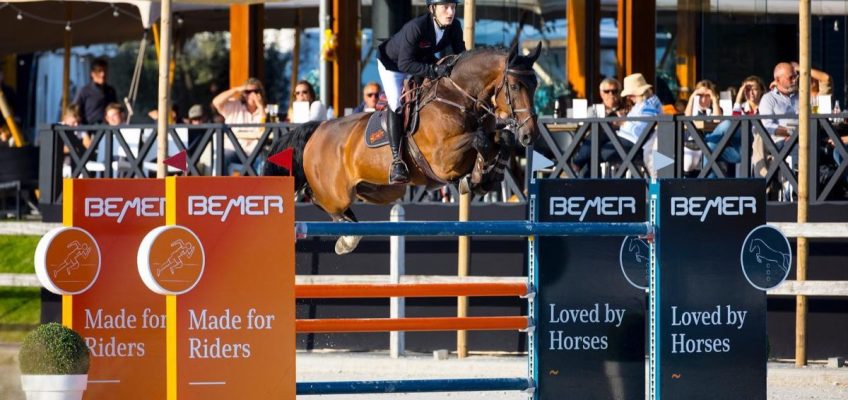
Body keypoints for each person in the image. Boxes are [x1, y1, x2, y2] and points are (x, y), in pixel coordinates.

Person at [376, 0, 466, 184]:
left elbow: (462, 57)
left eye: (453, 7)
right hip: (392, 65)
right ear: (432, 9)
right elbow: (404, 64)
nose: (450, 12)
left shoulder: (455, 26)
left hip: (420, 60)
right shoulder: (416, 27)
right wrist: (434, 70)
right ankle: (397, 160)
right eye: (445, 7)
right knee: (396, 104)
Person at [702, 75, 766, 176]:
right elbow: (734, 123)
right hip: (740, 150)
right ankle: (709, 188)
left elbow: (733, 124)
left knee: (727, 123)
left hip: (755, 144)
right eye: (748, 90)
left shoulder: (765, 106)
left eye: (755, 89)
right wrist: (739, 98)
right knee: (709, 147)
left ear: (762, 90)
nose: (751, 93)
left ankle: (703, 140)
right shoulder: (742, 107)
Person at [212, 77, 267, 174]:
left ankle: (259, 189)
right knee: (222, 158)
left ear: (260, 93)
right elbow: (216, 102)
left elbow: (264, 130)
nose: (252, 95)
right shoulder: (235, 106)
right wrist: (236, 90)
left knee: (264, 164)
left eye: (255, 91)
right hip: (233, 149)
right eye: (248, 92)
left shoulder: (263, 111)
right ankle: (220, 189)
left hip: (253, 153)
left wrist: (260, 106)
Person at [73, 58, 117, 125]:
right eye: (99, 71)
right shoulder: (84, 91)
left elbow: (115, 109)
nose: (103, 74)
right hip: (90, 131)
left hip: (108, 131)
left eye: (105, 71)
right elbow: (74, 111)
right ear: (92, 74)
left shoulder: (110, 91)